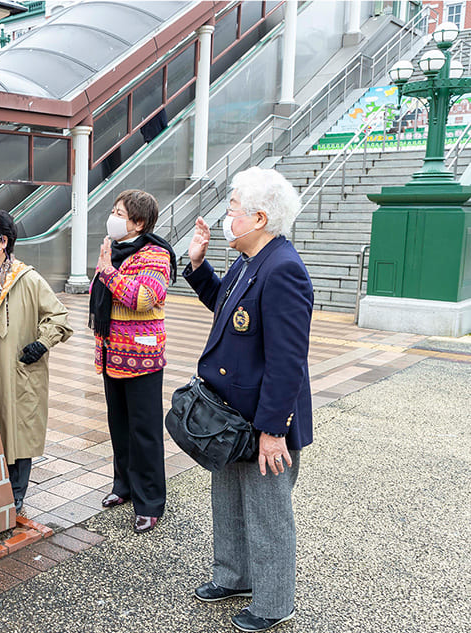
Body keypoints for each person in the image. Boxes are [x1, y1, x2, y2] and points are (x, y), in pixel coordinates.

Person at [184, 167, 314, 632]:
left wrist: (273, 431)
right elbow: (228, 308)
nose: (226, 216)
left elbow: (287, 362)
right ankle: (234, 577)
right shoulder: (247, 260)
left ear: (259, 218)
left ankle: (275, 602)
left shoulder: (283, 270)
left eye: (233, 209)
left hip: (264, 419)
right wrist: (198, 266)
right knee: (230, 500)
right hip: (232, 415)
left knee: (267, 513)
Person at [0, 209, 72, 516]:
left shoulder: (26, 278)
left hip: (15, 370)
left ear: (3, 241)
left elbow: (59, 317)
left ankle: (15, 494)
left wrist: (42, 343)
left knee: (17, 430)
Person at [90, 189, 176, 534]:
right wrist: (108, 268)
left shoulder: (156, 255)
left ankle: (150, 502)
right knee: (120, 427)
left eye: (120, 213)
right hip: (112, 353)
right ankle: (123, 486)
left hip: (141, 357)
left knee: (145, 432)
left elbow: (143, 297)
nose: (113, 217)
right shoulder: (115, 249)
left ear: (139, 222)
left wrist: (107, 271)